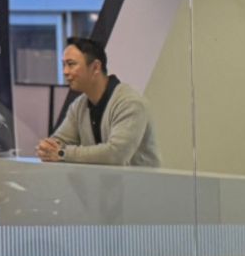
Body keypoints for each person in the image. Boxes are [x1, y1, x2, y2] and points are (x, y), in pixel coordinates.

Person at [39, 35, 157, 168]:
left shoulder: (130, 102)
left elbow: (116, 154)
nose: (65, 72)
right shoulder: (79, 105)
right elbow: (60, 141)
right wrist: (47, 148)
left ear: (95, 67)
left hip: (140, 187)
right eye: (64, 65)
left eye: (71, 64)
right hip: (105, 187)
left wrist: (61, 153)